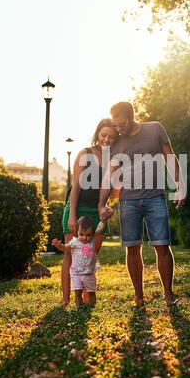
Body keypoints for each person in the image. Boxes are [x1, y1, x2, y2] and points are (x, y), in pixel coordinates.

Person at [98, 102, 185, 307]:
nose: (118, 129)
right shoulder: (117, 144)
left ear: (131, 117)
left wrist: (180, 187)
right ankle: (139, 295)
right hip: (128, 201)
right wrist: (101, 204)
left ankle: (168, 293)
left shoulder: (155, 129)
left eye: (121, 124)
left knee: (162, 245)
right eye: (115, 124)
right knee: (132, 248)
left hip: (155, 197)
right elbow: (110, 177)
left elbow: (170, 158)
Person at [61, 119, 118, 307]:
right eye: (103, 135)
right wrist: (71, 215)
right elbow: (76, 187)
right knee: (70, 255)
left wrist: (108, 206)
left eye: (111, 136)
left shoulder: (115, 159)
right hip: (77, 208)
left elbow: (114, 189)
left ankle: (85, 296)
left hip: (97, 212)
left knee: (89, 256)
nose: (107, 139)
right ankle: (66, 298)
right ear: (97, 135)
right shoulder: (85, 154)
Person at [52, 215, 112, 309]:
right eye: (81, 234)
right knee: (78, 292)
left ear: (92, 234)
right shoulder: (74, 242)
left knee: (91, 292)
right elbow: (66, 248)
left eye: (88, 235)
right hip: (76, 273)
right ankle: (79, 308)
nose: (84, 237)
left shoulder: (92, 240)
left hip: (89, 273)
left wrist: (103, 221)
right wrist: (58, 246)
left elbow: (99, 229)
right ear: (77, 233)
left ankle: (92, 307)